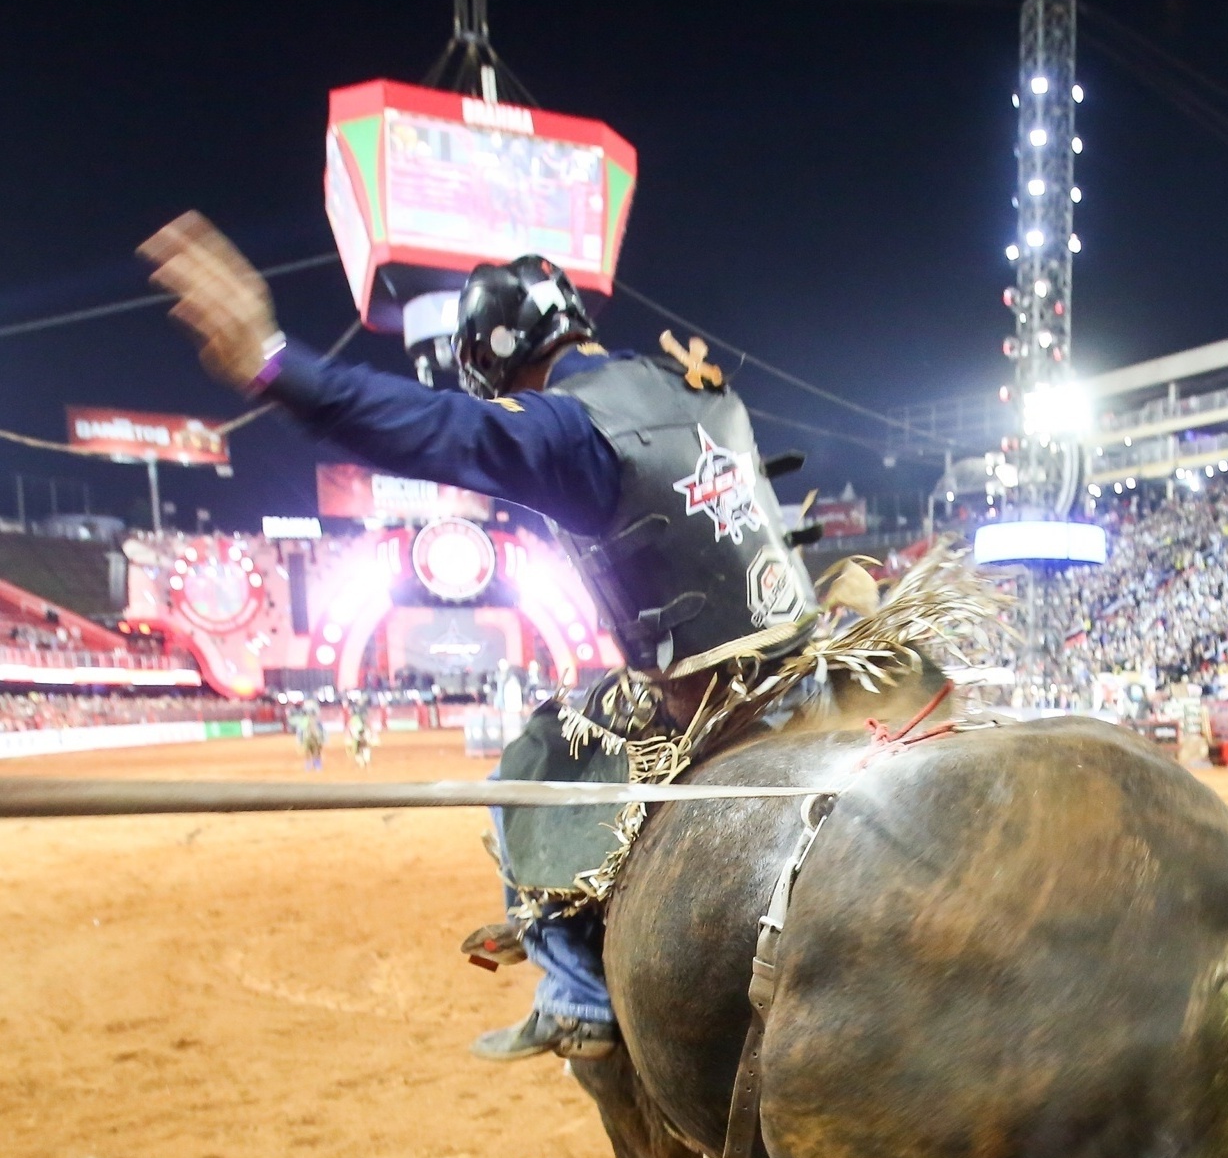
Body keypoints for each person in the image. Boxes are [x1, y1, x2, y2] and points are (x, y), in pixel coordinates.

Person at [140, 212, 817, 1064]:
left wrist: (276, 364)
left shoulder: (564, 427)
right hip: (811, 658)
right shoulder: (693, 383)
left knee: (529, 762)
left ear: (497, 360)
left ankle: (575, 991)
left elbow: (429, 430)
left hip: (705, 697)